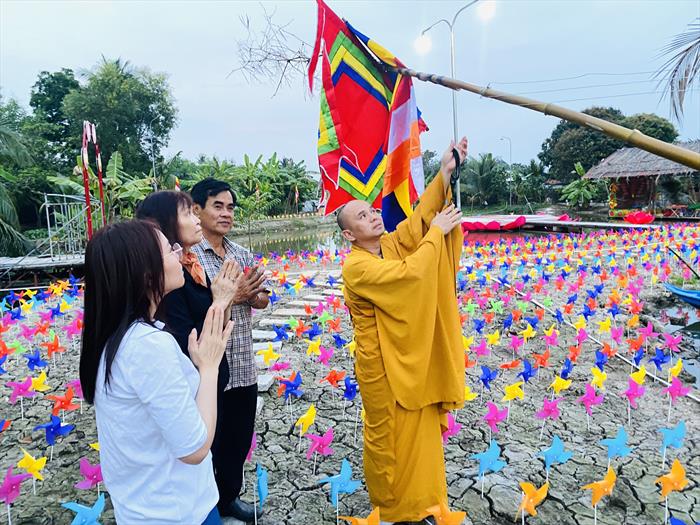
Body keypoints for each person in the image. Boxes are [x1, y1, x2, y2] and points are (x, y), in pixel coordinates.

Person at [337, 138, 468, 525]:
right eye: (362, 216)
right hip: (381, 368)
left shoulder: (390, 244)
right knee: (390, 438)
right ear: (349, 234)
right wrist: (436, 234)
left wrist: (444, 172)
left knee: (422, 435)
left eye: (372, 210)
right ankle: (395, 510)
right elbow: (410, 276)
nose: (374, 216)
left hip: (410, 358)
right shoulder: (356, 267)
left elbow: (417, 224)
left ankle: (425, 504)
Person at [80, 220, 233, 524]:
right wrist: (209, 366)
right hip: (179, 514)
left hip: (145, 508)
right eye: (169, 249)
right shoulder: (148, 347)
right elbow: (195, 448)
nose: (179, 254)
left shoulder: (116, 338)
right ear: (147, 272)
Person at [190, 178, 269, 521]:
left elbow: (264, 298)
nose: (225, 214)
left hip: (242, 364)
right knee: (207, 439)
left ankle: (229, 499)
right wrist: (229, 297)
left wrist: (252, 295)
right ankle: (205, 506)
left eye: (230, 208)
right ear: (197, 210)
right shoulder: (189, 257)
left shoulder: (240, 253)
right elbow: (190, 308)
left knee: (238, 440)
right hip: (207, 368)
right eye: (217, 206)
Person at [135, 191, 239, 395]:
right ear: (165, 224)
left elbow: (219, 324)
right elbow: (190, 342)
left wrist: (225, 300)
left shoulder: (192, 265)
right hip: (195, 387)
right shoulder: (169, 280)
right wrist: (219, 302)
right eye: (187, 214)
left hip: (215, 378)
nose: (197, 220)